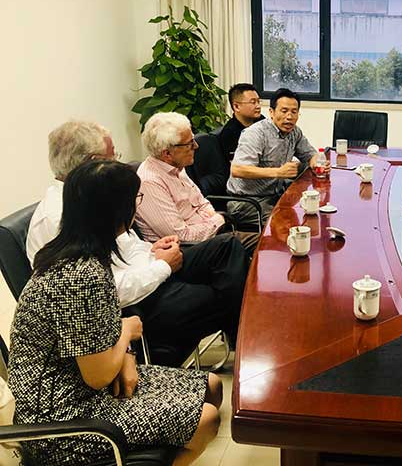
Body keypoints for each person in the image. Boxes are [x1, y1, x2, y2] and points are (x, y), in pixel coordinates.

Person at [10, 159, 221, 466]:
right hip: (62, 417)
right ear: (117, 211)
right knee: (207, 419)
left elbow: (95, 335)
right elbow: (97, 375)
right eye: (135, 199)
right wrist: (126, 332)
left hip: (85, 382)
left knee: (212, 385)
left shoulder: (80, 252)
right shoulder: (80, 275)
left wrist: (127, 357)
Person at [26, 121, 248, 367]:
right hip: (134, 302)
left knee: (228, 248)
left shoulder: (92, 196)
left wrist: (153, 251)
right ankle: (238, 344)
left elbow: (126, 247)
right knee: (224, 296)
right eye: (113, 156)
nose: (118, 163)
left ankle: (240, 336)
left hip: (149, 273)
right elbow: (104, 291)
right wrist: (162, 267)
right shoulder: (61, 217)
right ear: (92, 162)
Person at [135, 112, 260, 252]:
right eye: (189, 144)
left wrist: (213, 221)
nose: (196, 146)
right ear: (167, 153)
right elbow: (182, 236)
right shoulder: (150, 182)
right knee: (266, 245)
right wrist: (218, 220)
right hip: (191, 250)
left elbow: (202, 202)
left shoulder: (176, 167)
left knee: (269, 242)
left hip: (212, 235)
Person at [227, 87, 329, 227]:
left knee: (311, 211)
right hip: (247, 202)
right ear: (271, 112)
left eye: (294, 112)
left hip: (275, 195)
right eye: (284, 111)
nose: (289, 117)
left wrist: (318, 163)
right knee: (287, 224)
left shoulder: (294, 132)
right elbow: (237, 169)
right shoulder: (255, 133)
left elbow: (310, 155)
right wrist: (278, 172)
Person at [218, 83, 265, 162]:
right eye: (253, 102)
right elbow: (237, 164)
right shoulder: (229, 133)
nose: (258, 106)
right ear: (236, 107)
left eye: (258, 101)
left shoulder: (261, 121)